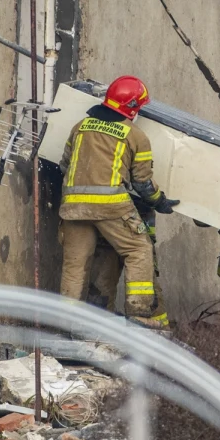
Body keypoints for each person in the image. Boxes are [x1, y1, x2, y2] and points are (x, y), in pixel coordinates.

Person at [58, 75, 178, 326]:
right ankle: (139, 313)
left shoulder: (80, 127)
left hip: (73, 206)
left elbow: (64, 165)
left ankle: (67, 322)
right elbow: (143, 183)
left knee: (76, 264)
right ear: (132, 108)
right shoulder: (135, 135)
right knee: (138, 249)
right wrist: (160, 202)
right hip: (112, 205)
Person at [87, 196, 169, 328]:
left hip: (130, 226)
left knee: (148, 290)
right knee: (101, 288)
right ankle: (100, 333)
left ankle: (159, 332)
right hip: (111, 225)